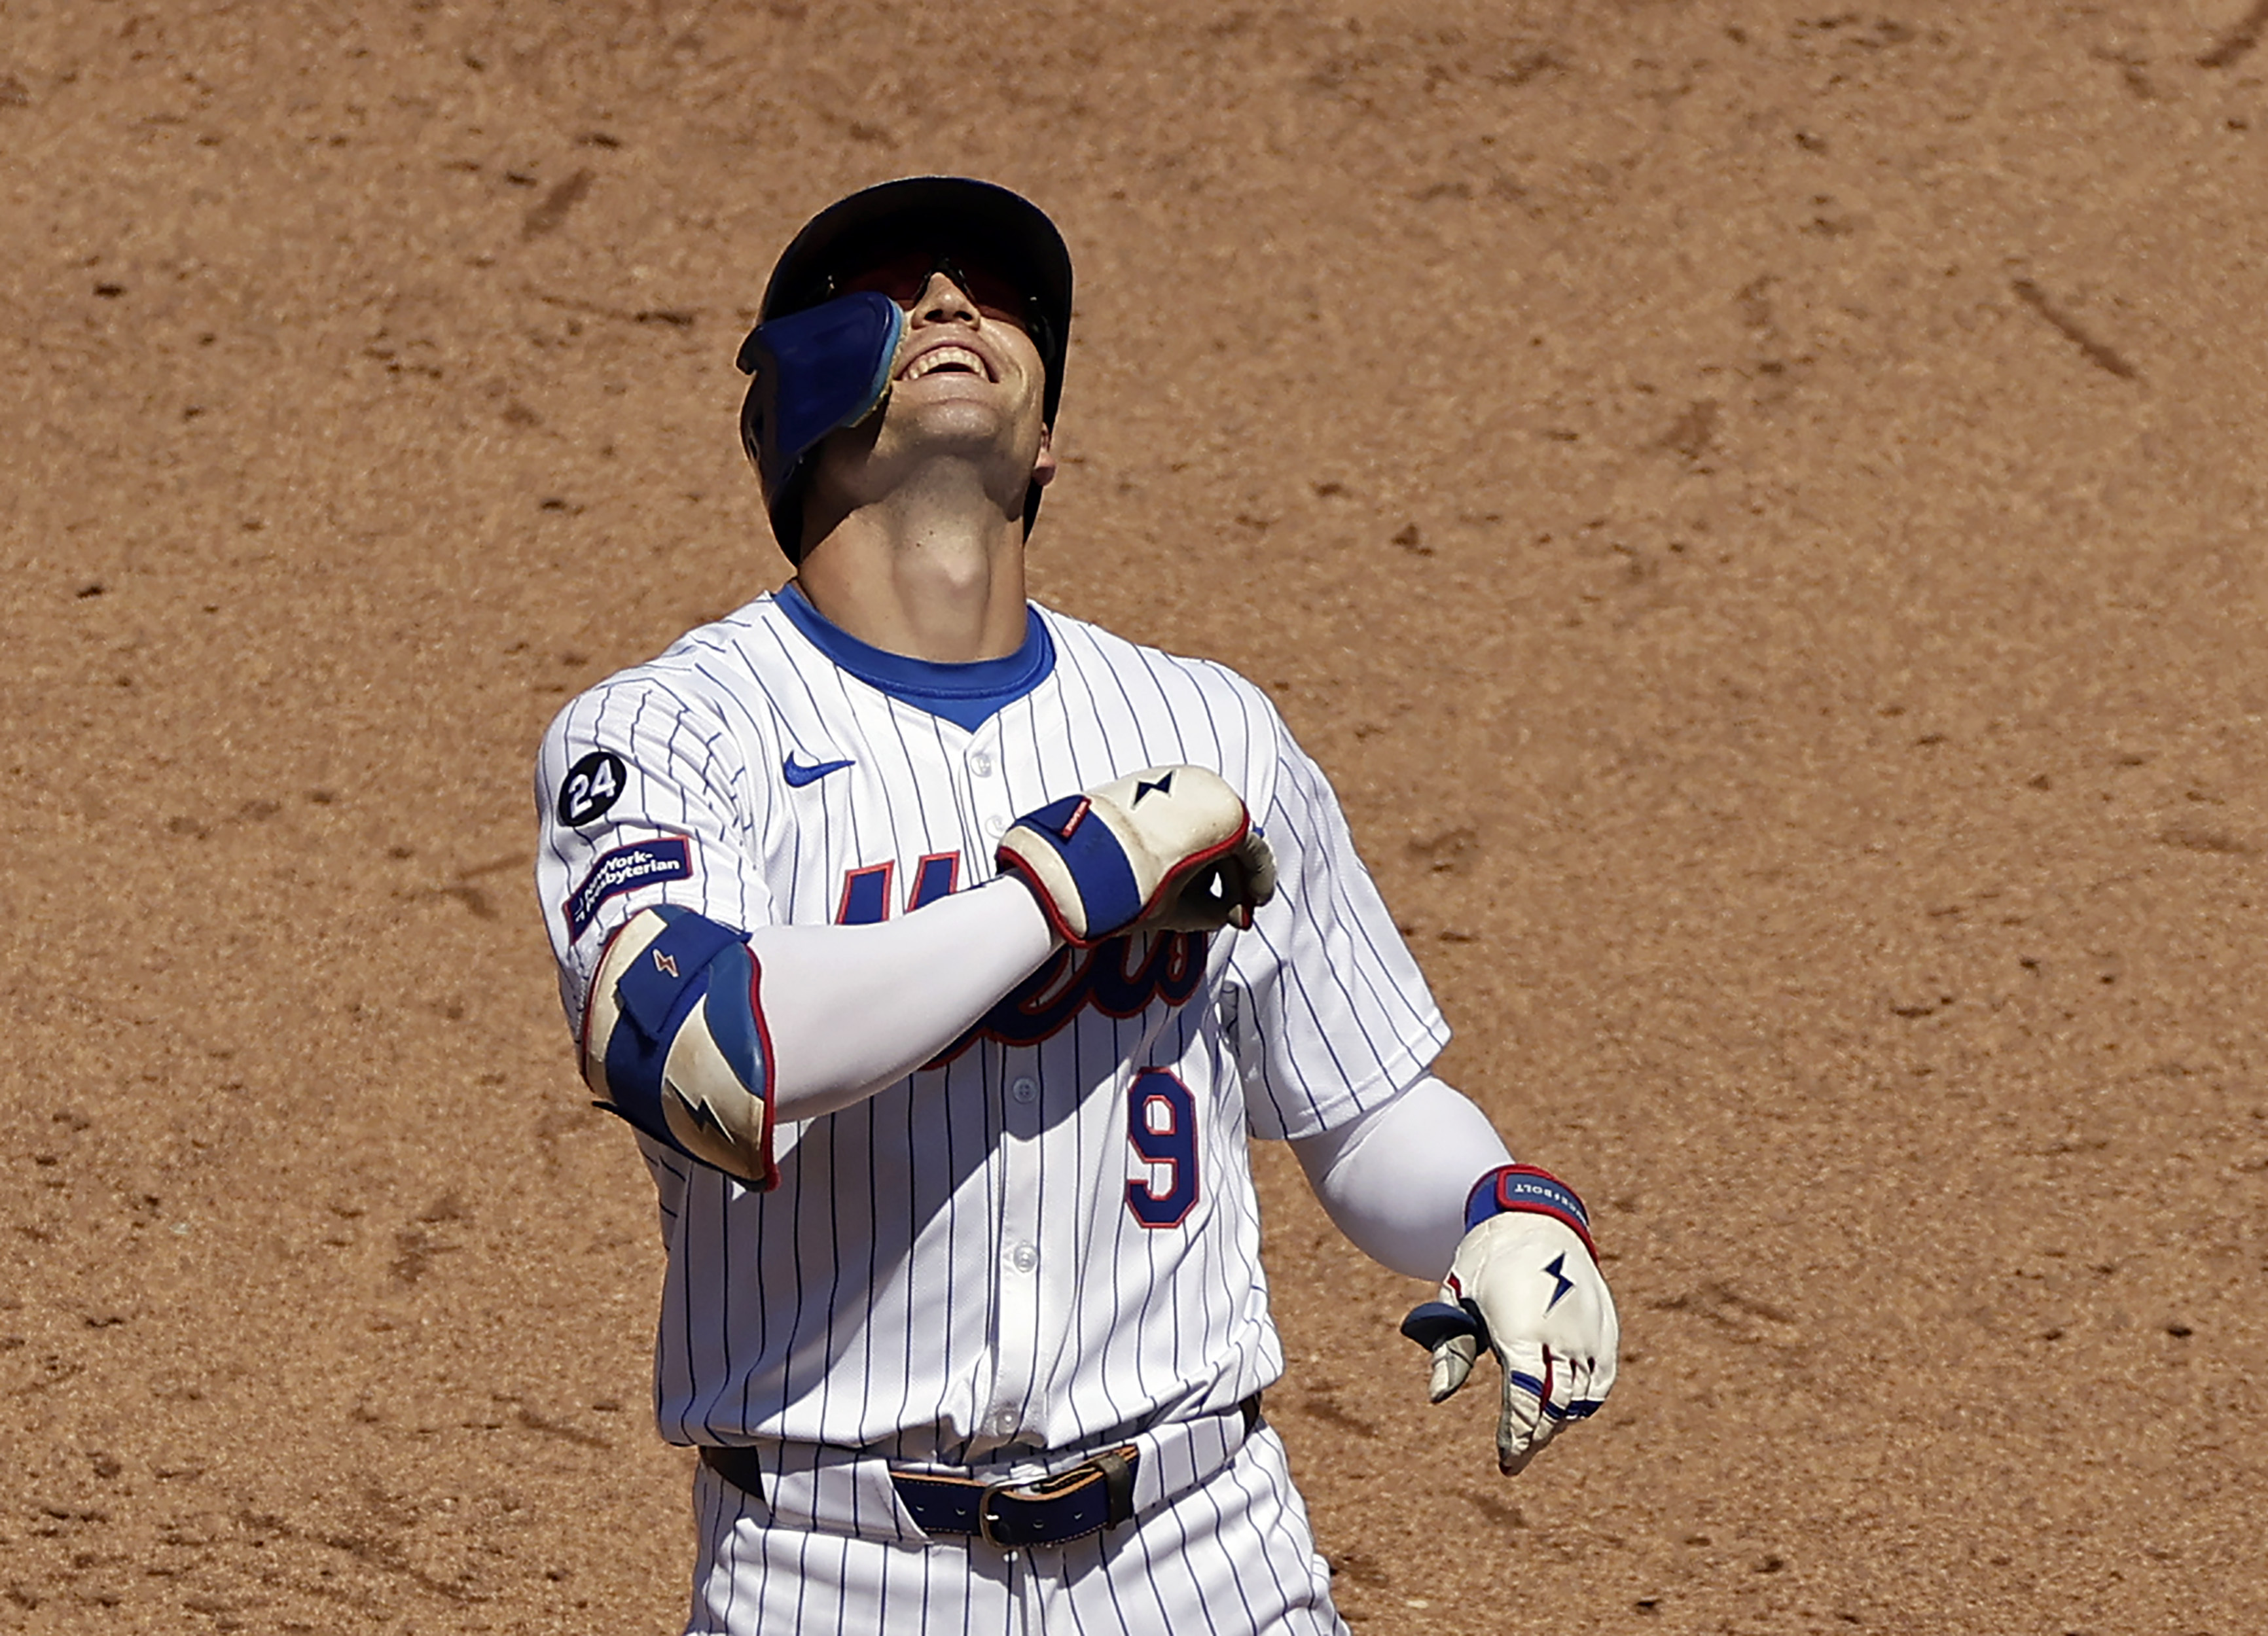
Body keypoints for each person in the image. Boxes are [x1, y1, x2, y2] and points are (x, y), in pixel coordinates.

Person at [531, 176, 1618, 1635]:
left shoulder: (1204, 725)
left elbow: (1356, 1099)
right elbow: (701, 1056)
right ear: (787, 407)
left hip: (1203, 1547)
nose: (954, 304)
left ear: (1047, 437)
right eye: (895, 286)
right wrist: (1060, 893)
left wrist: (1498, 1208)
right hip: (832, 1566)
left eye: (996, 292)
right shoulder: (671, 732)